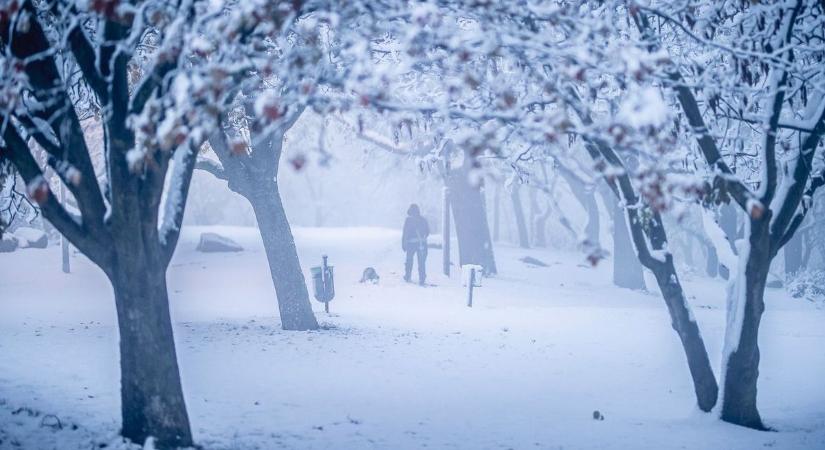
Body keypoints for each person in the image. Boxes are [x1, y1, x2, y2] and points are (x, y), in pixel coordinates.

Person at [402, 203, 430, 285]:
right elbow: (428, 232)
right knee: (421, 262)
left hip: (411, 244)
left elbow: (405, 233)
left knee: (409, 260)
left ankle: (407, 276)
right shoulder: (423, 220)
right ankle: (422, 278)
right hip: (422, 244)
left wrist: (404, 244)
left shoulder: (408, 220)